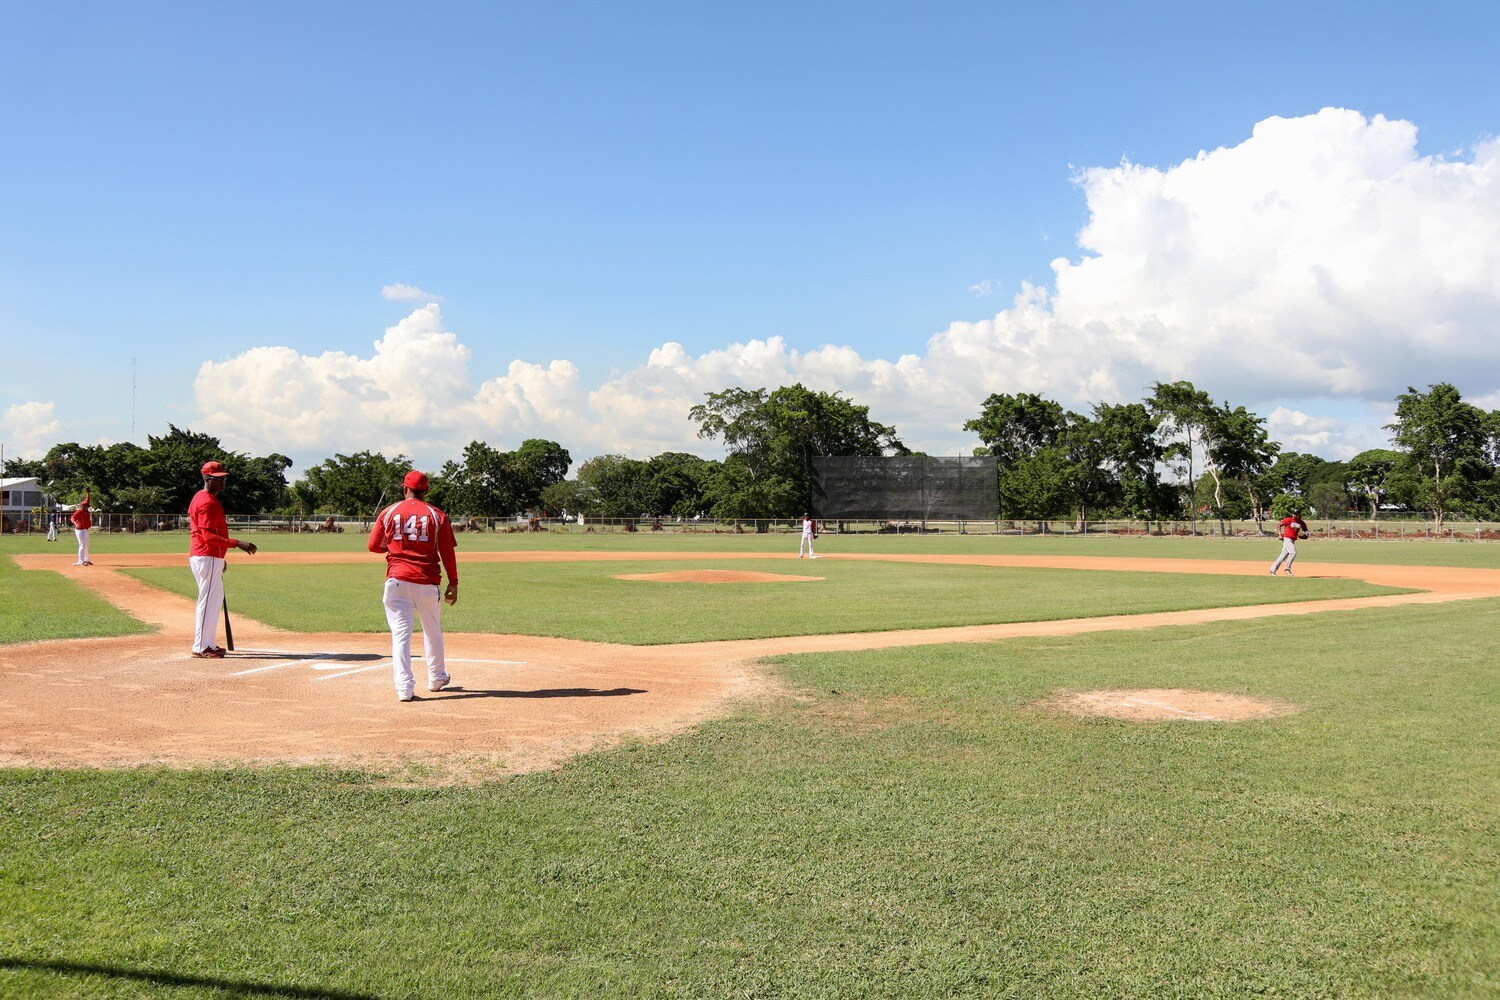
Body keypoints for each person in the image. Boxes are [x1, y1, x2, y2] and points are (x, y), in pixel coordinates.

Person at [368, 470, 459, 702]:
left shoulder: (388, 512)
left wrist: (397, 548)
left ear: (404, 488)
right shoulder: (437, 515)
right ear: (426, 491)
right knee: (432, 630)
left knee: (400, 635)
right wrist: (454, 582)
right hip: (427, 581)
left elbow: (373, 546)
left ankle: (404, 689)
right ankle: (437, 677)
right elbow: (446, 552)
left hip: (396, 580)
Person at [189, 461, 258, 658]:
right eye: (219, 478)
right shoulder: (207, 502)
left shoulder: (201, 497)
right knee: (207, 601)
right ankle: (200, 647)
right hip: (206, 554)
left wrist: (219, 557)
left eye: (224, 477)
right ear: (208, 480)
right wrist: (237, 543)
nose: (223, 481)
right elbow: (207, 536)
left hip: (209, 556)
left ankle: (208, 643)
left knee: (213, 600)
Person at [1270, 508, 1309, 576]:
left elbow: (1306, 531)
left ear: (1299, 515)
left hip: (1293, 540)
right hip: (1286, 538)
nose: (1294, 515)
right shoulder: (1288, 520)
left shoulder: (1301, 522)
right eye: (1293, 513)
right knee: (1293, 552)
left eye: (1296, 514)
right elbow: (1279, 525)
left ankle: (1272, 570)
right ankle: (1287, 569)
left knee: (1283, 555)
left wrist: (1304, 536)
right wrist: (1279, 534)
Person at [70, 490, 93, 565]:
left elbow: (87, 500)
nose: (87, 507)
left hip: (85, 530)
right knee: (82, 545)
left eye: (87, 506)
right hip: (80, 530)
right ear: (82, 506)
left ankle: (86, 560)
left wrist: (88, 493)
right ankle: (80, 561)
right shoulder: (79, 512)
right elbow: (72, 517)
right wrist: (75, 523)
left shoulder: (85, 510)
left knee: (86, 545)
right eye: (86, 506)